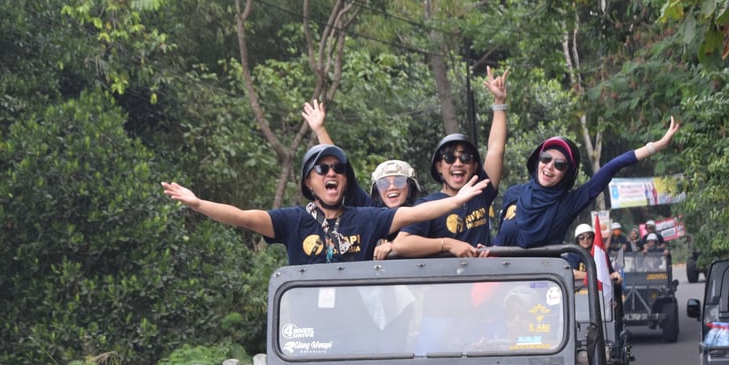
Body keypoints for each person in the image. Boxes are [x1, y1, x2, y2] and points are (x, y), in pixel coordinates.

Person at [162, 145, 486, 265]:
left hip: (359, 326)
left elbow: (415, 213)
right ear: (308, 182)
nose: (332, 173)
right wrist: (198, 203)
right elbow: (245, 218)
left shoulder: (365, 218)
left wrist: (455, 200)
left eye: (338, 169)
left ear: (345, 180)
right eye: (322, 169)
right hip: (311, 328)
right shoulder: (292, 221)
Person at [492, 117, 680, 249]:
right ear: (537, 160)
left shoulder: (567, 204)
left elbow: (610, 168)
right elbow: (499, 239)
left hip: (542, 285)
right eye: (546, 158)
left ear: (566, 174)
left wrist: (655, 146)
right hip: (503, 279)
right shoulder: (513, 193)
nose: (549, 167)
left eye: (559, 164)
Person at [390, 67, 509, 258]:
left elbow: (496, 149)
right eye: (449, 157)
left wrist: (499, 102)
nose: (457, 163)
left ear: (474, 165)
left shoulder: (481, 192)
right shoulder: (429, 205)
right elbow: (401, 244)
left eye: (464, 157)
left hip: (482, 282)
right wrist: (448, 244)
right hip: (444, 284)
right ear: (439, 166)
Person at [300, 100, 420, 259]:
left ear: (410, 186)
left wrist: (393, 246)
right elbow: (339, 172)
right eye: (384, 183)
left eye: (398, 181)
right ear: (376, 189)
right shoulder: (370, 213)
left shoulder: (421, 213)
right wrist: (320, 130)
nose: (391, 187)